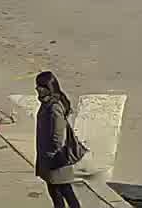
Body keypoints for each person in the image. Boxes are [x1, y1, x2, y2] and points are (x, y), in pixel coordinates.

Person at [34, 71, 85, 208]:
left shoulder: (54, 107)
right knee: (61, 191)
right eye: (37, 86)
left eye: (40, 86)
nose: (37, 89)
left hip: (55, 160)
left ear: (48, 87)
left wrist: (50, 153)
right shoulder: (47, 103)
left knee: (60, 193)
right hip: (51, 159)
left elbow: (58, 137)